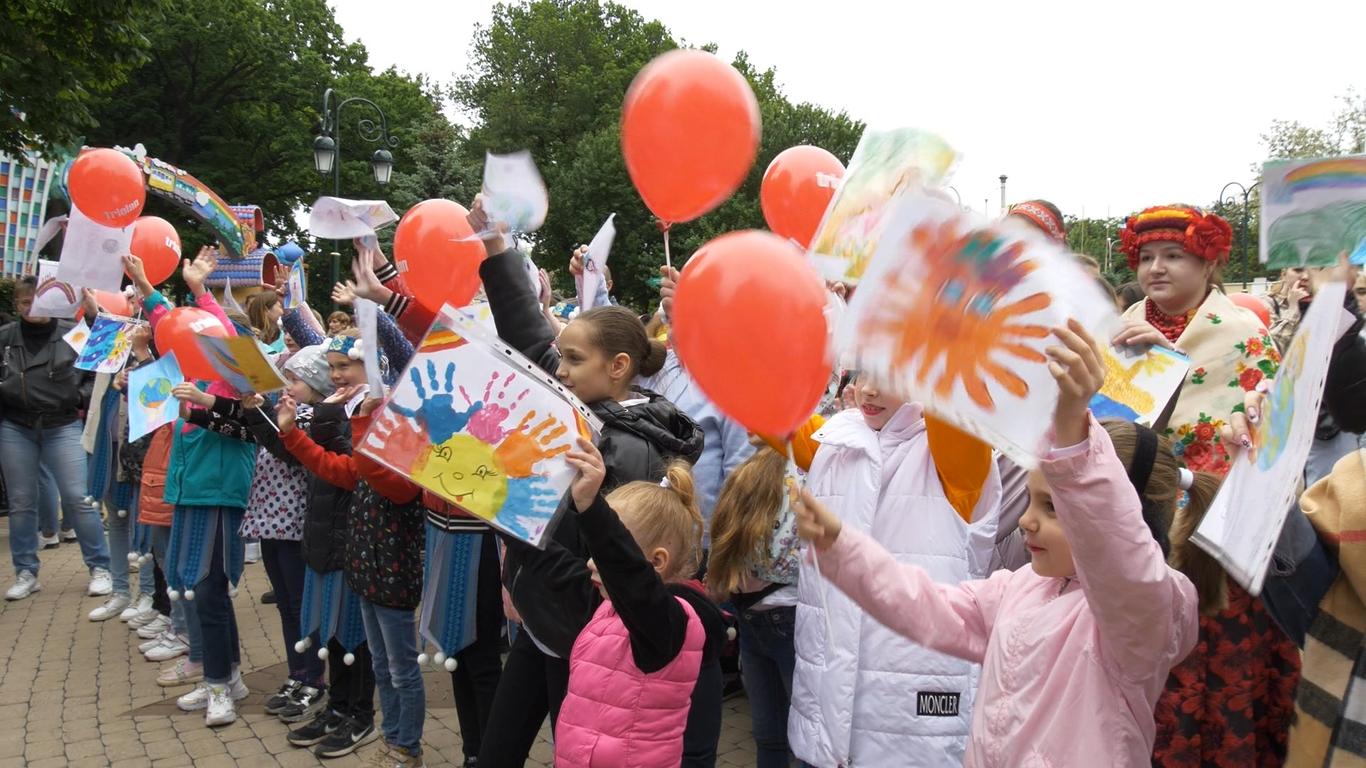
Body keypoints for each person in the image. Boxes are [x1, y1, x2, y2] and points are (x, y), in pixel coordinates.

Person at [793, 320, 1200, 765]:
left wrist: (1070, 431)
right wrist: (844, 550)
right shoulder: (1017, 588)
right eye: (1032, 500)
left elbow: (1119, 554)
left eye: (1053, 507)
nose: (1025, 520)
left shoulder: (1141, 614)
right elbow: (923, 605)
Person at [458, 197, 703, 768]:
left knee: (572, 748)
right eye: (560, 359)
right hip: (541, 620)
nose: (558, 370)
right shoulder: (576, 404)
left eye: (572, 360)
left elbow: (617, 565)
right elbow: (528, 336)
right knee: (497, 752)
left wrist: (510, 518)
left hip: (583, 633)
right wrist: (495, 246)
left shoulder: (632, 450)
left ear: (617, 367)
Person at [1111, 204, 1298, 765]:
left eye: (1174, 255)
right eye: (1147, 257)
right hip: (1134, 528)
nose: (1156, 268)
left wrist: (1169, 364)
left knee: (1212, 665)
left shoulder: (1243, 335)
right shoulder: (1119, 330)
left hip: (1215, 538)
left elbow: (1269, 440)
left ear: (1209, 263)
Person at [782, 369, 1001, 768]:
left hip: (913, 726)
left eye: (891, 375)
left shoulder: (955, 457)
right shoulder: (835, 439)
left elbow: (956, 388)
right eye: (866, 371)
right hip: (828, 720)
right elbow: (767, 407)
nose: (869, 389)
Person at [274, 390, 427, 768]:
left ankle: (407, 748)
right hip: (366, 577)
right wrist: (290, 433)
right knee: (382, 667)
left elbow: (373, 471)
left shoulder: (404, 473)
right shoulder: (366, 469)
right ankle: (392, 739)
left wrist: (360, 421)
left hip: (393, 583)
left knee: (402, 670)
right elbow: (328, 464)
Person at [554, 451, 724, 767]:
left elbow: (630, 577)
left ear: (656, 561)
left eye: (602, 555)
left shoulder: (668, 624)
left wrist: (592, 508)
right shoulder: (606, 610)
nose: (590, 562)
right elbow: (549, 562)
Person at [0, 275, 111, 600]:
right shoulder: (5, 337)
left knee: (78, 497)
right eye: (25, 302)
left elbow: (104, 356)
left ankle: (100, 567)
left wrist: (80, 397)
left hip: (61, 424)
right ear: (17, 305)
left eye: (38, 301)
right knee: (21, 501)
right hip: (16, 425)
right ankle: (25, 572)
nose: (32, 308)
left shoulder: (72, 332)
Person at [706, 446, 802, 768]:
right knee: (794, 734)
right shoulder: (792, 471)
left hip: (760, 613)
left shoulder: (760, 469)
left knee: (774, 734)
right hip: (778, 613)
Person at [247, 290, 287, 356]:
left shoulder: (286, 337)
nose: (282, 312)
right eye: (280, 307)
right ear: (266, 310)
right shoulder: (249, 338)